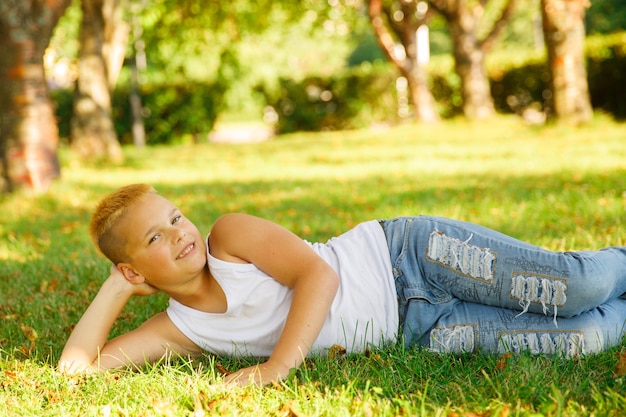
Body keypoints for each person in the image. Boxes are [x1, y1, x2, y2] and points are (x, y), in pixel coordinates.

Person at [59, 184, 626, 386]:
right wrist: (114, 289)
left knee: (578, 286)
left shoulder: (229, 238)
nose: (180, 233)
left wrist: (277, 366)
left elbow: (318, 274)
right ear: (135, 270)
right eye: (155, 239)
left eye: (176, 217)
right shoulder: (178, 329)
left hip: (410, 259)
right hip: (418, 329)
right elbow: (77, 372)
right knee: (580, 340)